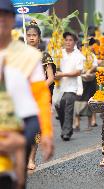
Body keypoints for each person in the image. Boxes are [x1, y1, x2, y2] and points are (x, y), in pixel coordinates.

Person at [0, 0, 54, 187]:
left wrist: (46, 131)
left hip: (17, 128)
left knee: (14, 180)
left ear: (12, 19)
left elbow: (40, 94)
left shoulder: (31, 57)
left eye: (5, 16)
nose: (1, 21)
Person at [25, 20, 56, 170]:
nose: (31, 38)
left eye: (34, 35)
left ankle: (31, 159)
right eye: (29, 35)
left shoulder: (44, 56)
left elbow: (50, 78)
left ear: (39, 37)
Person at [55, 32, 84, 141]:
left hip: (71, 87)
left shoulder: (79, 56)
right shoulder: (58, 53)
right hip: (58, 87)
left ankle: (66, 132)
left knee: (67, 104)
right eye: (66, 40)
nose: (68, 42)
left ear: (75, 42)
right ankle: (66, 128)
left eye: (70, 40)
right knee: (58, 106)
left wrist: (63, 74)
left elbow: (78, 72)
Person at [73, 38, 98, 132]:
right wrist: (83, 72)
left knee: (90, 100)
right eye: (83, 46)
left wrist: (89, 71)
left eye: (86, 45)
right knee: (78, 101)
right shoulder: (77, 56)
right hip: (80, 81)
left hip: (90, 80)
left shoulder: (92, 55)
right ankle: (77, 123)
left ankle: (90, 122)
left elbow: (95, 65)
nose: (84, 47)